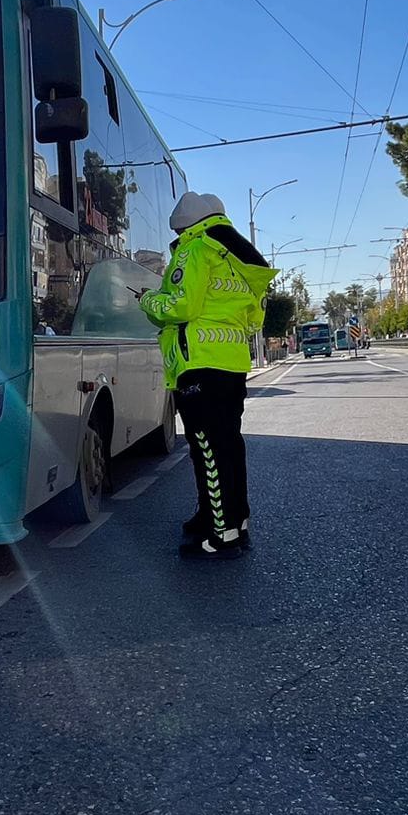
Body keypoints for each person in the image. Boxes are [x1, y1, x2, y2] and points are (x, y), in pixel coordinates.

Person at [140, 191, 274, 559]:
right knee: (228, 444)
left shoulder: (196, 249)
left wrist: (149, 301)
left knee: (207, 450)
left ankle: (221, 536)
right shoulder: (239, 258)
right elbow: (254, 319)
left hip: (198, 364)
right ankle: (230, 519)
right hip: (231, 365)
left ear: (184, 225)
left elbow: (181, 305)